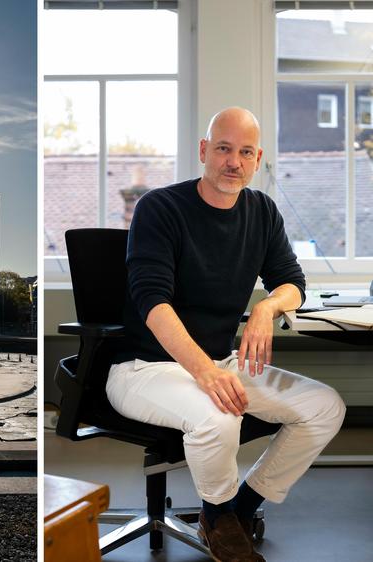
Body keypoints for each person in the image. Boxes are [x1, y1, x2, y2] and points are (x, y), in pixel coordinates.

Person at [108, 107, 345, 562]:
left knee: (324, 406)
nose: (233, 162)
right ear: (204, 151)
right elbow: (153, 304)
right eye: (223, 149)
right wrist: (206, 375)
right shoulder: (161, 207)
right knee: (219, 416)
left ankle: (233, 511)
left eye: (245, 152)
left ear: (257, 160)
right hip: (144, 368)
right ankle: (218, 521)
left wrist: (266, 306)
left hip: (221, 360)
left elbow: (293, 283)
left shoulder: (261, 212)